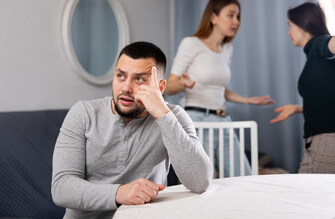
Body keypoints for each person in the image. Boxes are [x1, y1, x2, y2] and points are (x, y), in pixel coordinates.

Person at [51, 41, 214, 218]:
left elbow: (201, 181)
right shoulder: (83, 114)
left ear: (159, 88)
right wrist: (119, 193)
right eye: (121, 76)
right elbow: (62, 188)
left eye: (139, 79)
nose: (126, 88)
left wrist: (162, 113)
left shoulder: (172, 116)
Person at [165, 0, 274, 177]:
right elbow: (169, 87)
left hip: (223, 120)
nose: (236, 21)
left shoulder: (227, 50)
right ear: (213, 17)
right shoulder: (191, 44)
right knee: (201, 180)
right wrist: (184, 83)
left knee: (244, 177)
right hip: (196, 121)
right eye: (230, 15)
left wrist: (248, 100)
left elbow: (221, 89)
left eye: (238, 16)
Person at [270, 0, 335, 174]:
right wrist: (297, 108)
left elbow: (330, 43)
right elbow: (325, 101)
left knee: (304, 198)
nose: (289, 32)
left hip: (329, 143)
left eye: (290, 26)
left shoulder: (319, 45)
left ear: (303, 25)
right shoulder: (319, 58)